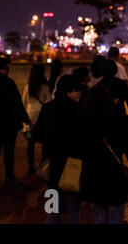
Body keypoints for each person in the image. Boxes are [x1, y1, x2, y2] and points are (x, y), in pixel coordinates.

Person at [37, 75, 84, 224]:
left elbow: (37, 134)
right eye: (77, 90)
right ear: (69, 91)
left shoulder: (48, 108)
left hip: (51, 167)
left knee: (53, 211)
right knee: (73, 211)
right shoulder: (78, 110)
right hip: (73, 167)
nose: (80, 94)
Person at [80, 85, 128, 224]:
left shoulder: (83, 123)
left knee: (99, 216)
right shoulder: (118, 122)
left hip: (92, 176)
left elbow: (79, 149)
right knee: (115, 217)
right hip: (114, 177)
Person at [0, 57, 30, 186]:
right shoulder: (9, 84)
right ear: (2, 68)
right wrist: (26, 120)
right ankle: (9, 175)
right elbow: (17, 104)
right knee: (9, 150)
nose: (9, 69)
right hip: (10, 123)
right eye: (7, 67)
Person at [22, 64, 51, 174]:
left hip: (29, 117)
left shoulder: (27, 86)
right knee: (44, 141)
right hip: (42, 117)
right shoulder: (45, 87)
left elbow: (24, 102)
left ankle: (30, 165)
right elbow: (48, 101)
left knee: (30, 142)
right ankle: (43, 164)